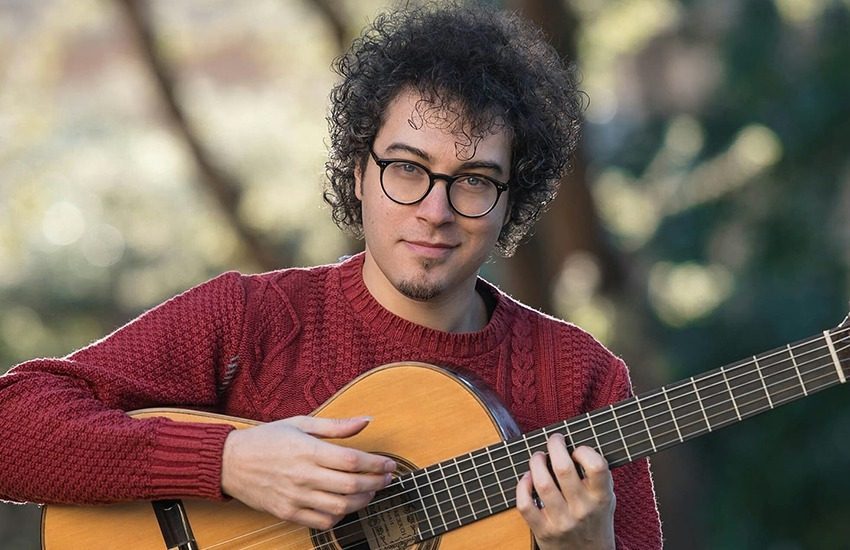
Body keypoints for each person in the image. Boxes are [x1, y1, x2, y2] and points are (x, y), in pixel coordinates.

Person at [0, 4, 662, 549]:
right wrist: (226, 464)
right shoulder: (251, 321)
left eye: (474, 180)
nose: (435, 211)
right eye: (407, 168)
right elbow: (11, 426)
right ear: (359, 174)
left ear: (512, 201)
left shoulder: (583, 380)